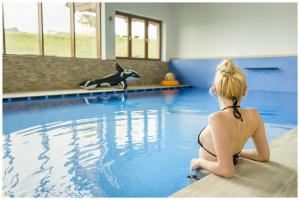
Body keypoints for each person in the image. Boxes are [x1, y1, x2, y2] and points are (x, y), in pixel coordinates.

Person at [190, 59, 270, 178]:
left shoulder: (217, 118)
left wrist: (198, 162)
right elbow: (263, 156)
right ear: (245, 90)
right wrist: (236, 153)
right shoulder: (254, 115)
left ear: (215, 90)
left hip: (207, 177)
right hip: (232, 165)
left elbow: (227, 171)